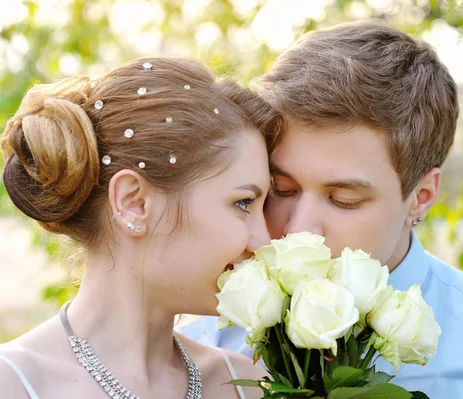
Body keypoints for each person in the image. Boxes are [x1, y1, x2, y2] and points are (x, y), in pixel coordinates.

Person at [181, 21, 463, 398]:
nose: (300, 229)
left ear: (421, 197)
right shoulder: (203, 339)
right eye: (281, 189)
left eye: (344, 200)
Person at [0, 57, 280, 398]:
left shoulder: (247, 383)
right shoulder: (14, 383)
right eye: (243, 203)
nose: (264, 241)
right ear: (135, 203)